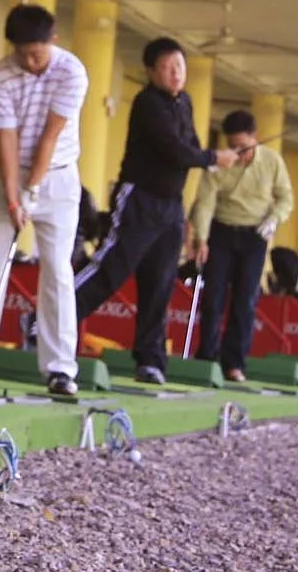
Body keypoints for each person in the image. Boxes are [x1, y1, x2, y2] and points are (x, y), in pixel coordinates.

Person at [72, 38, 237, 385]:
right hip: (139, 200)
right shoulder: (148, 103)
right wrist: (212, 158)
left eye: (180, 66)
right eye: (167, 67)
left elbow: (189, 144)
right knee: (110, 270)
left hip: (171, 206)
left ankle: (150, 360)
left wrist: (209, 157)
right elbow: (176, 151)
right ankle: (43, 325)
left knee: (160, 283)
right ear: (151, 72)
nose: (176, 73)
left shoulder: (185, 102)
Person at [0, 5, 88, 397]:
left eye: (36, 53)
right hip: (6, 174)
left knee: (57, 269)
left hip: (57, 177)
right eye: (21, 52)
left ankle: (60, 368)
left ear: (53, 42)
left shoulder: (71, 71)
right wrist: (12, 198)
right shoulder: (1, 74)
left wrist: (32, 191)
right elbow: (6, 139)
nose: (28, 60)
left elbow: (50, 137)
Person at [187, 109, 294, 382]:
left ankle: (234, 363)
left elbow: (285, 198)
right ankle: (207, 358)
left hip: (255, 235)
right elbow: (206, 202)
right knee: (214, 297)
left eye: (243, 147)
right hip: (221, 231)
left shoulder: (272, 161)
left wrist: (274, 220)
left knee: (245, 299)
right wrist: (201, 238)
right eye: (232, 146)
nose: (238, 153)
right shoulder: (219, 162)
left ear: (255, 138)